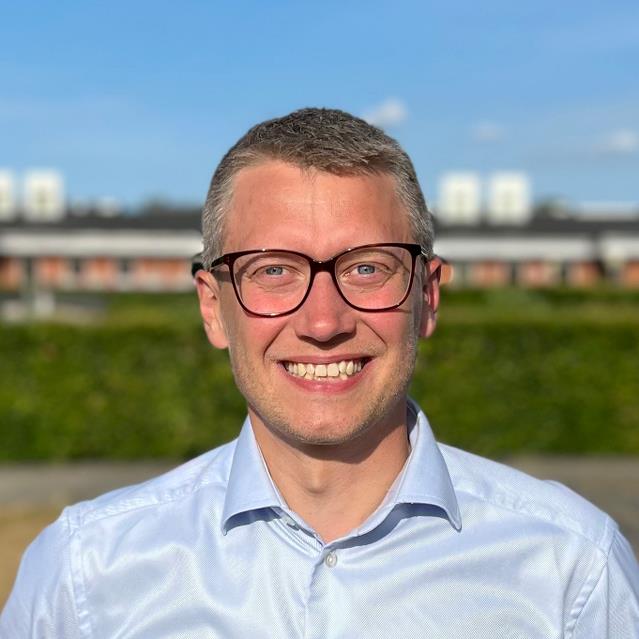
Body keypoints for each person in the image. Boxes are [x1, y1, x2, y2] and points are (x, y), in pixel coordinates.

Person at [2, 108, 638, 638]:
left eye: (367, 268)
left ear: (428, 296)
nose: (323, 321)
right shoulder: (84, 577)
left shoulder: (571, 570)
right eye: (274, 270)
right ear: (213, 308)